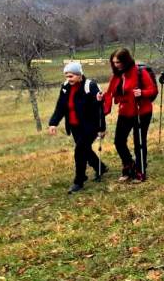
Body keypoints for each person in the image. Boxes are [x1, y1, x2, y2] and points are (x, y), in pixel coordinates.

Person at [98, 48, 158, 183]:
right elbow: (110, 93)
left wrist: (141, 92)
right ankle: (128, 165)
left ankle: (140, 171)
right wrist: (101, 97)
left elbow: (152, 89)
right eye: (113, 62)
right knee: (119, 141)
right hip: (125, 112)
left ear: (126, 60)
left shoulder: (139, 72)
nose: (116, 65)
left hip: (141, 112)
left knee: (139, 142)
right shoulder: (116, 76)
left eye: (118, 62)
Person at [48, 62, 107, 193]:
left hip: (90, 126)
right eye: (66, 76)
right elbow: (61, 107)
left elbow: (99, 109)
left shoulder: (89, 86)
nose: (68, 79)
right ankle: (100, 168)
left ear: (80, 75)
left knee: (79, 151)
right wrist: (53, 123)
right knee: (85, 149)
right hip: (74, 126)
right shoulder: (65, 87)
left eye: (71, 76)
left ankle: (79, 181)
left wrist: (102, 128)